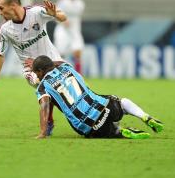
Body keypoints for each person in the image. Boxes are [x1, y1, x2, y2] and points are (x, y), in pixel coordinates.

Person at [0, 0, 68, 135]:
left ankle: (56, 118)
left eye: (1, 8)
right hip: (31, 70)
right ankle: (48, 122)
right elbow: (0, 52)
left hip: (54, 61)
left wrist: (54, 14)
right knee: (42, 82)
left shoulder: (36, 12)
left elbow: (63, 17)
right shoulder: (5, 29)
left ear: (12, 6)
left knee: (67, 92)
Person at [32, 55, 164, 139]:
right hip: (105, 106)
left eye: (36, 73)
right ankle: (144, 116)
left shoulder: (42, 86)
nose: (37, 76)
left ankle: (120, 132)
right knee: (122, 102)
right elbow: (58, 62)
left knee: (107, 131)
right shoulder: (66, 66)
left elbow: (44, 105)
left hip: (87, 125)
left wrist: (43, 132)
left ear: (40, 71)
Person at [54, 0, 85, 74]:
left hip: (75, 31)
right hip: (62, 30)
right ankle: (59, 74)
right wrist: (63, 20)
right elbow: (55, 14)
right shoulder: (62, 2)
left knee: (78, 52)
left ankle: (79, 75)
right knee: (60, 54)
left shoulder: (80, 3)